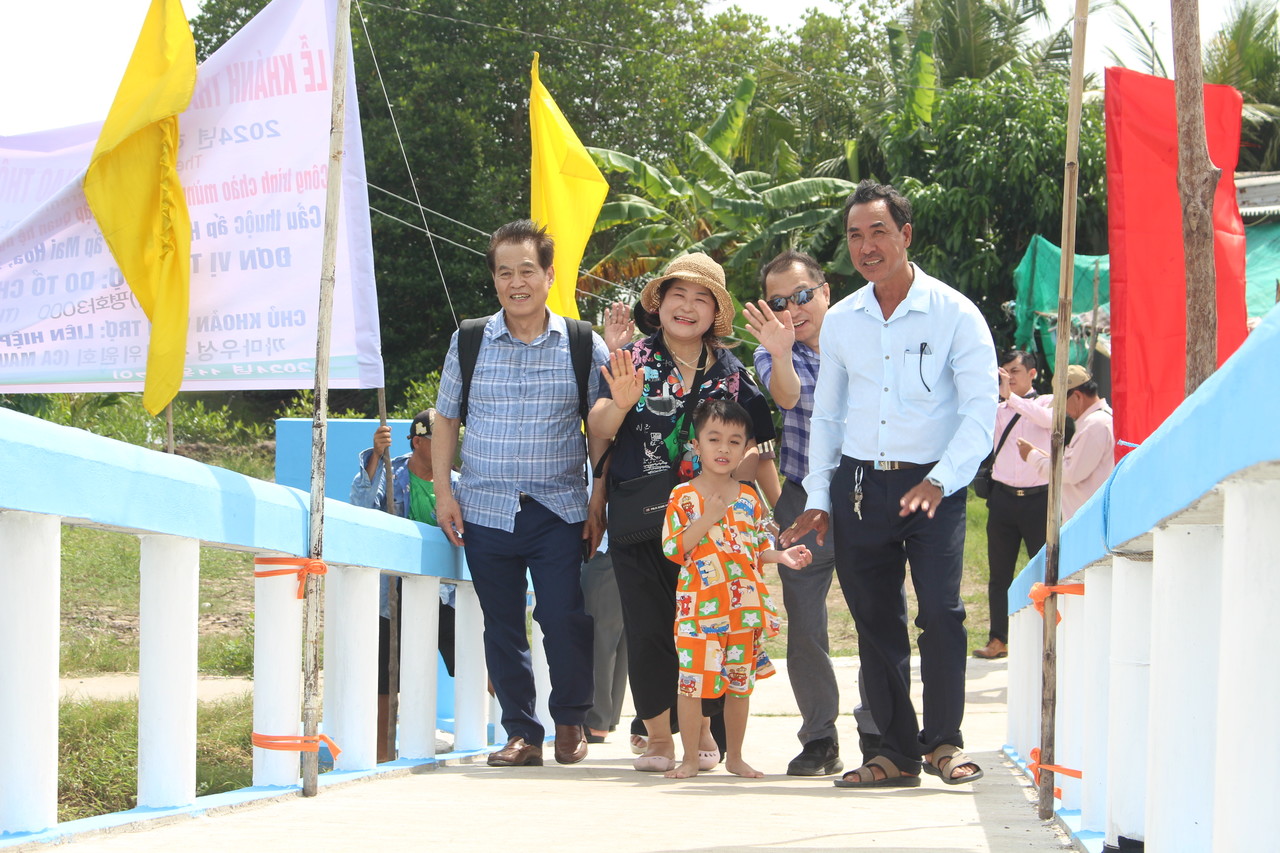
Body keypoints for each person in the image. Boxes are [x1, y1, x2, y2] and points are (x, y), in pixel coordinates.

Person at [783, 180, 997, 788]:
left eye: (878, 231)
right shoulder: (843, 320)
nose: (866, 246)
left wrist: (941, 480)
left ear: (905, 235)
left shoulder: (955, 313)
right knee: (874, 621)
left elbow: (980, 413)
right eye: (855, 235)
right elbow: (828, 418)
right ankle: (895, 753)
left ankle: (943, 744)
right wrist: (819, 497)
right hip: (858, 487)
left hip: (934, 487)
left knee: (942, 615)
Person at [588, 252, 777, 773]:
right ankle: (659, 740)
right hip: (641, 521)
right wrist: (620, 402)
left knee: (707, 630)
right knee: (648, 628)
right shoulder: (633, 358)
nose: (687, 307)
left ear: (715, 313)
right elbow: (599, 427)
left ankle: (704, 734)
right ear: (660, 303)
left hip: (711, 528)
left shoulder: (734, 375)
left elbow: (761, 447)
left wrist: (771, 513)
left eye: (701, 299)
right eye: (678, 295)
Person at [432, 220, 610, 768]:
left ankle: (570, 721)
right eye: (505, 272)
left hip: (558, 509)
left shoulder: (582, 343)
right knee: (503, 625)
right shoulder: (469, 340)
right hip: (484, 508)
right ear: (494, 279)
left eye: (527, 271)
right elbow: (446, 419)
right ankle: (522, 734)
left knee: (562, 618)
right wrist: (444, 492)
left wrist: (598, 500)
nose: (516, 283)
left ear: (549, 275)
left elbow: (603, 427)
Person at [743, 250, 879, 776]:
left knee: (876, 617)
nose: (792, 309)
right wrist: (780, 353)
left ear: (825, 292)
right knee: (804, 626)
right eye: (779, 302)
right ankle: (820, 738)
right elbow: (789, 397)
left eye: (802, 296)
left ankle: (879, 732)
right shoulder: (774, 351)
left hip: (868, 495)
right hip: (802, 499)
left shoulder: (867, 339)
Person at [660, 399, 812, 779]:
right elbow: (673, 548)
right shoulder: (683, 496)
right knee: (692, 686)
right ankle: (690, 758)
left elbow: (757, 547)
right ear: (696, 445)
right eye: (714, 439)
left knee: (740, 686)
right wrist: (708, 517)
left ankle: (736, 757)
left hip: (743, 612)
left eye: (734, 441)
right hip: (699, 612)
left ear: (746, 449)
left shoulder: (748, 497)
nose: (723, 448)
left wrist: (782, 556)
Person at [350, 410, 458, 762]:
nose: (447, 448)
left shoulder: (457, 482)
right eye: (439, 441)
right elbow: (361, 507)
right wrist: (376, 456)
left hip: (445, 592)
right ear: (418, 442)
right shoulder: (390, 473)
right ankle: (383, 753)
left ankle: (518, 732)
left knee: (475, 658)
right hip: (393, 593)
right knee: (386, 675)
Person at [974, 351, 1053, 661]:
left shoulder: (1046, 402)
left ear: (1032, 373)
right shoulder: (997, 410)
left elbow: (1048, 421)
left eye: (1015, 371)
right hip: (1004, 499)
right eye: (1004, 372)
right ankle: (998, 638)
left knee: (1045, 571)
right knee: (999, 574)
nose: (1009, 377)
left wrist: (1013, 399)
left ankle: (1049, 635)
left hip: (1039, 499)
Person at [1017, 364, 1115, 521]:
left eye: (1062, 403)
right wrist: (1044, 457)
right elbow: (1076, 466)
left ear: (1077, 396)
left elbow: (1070, 473)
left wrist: (1032, 456)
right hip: (1093, 518)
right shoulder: (1102, 419)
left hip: (1090, 521)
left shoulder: (1094, 425)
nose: (1062, 410)